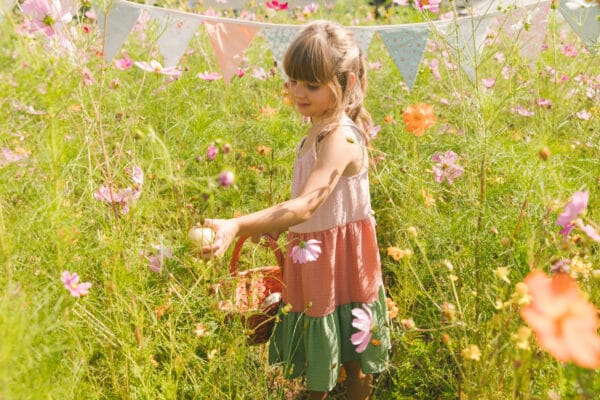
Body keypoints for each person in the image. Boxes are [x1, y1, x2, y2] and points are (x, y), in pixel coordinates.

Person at [202, 20, 390, 400]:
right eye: (293, 81)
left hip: (341, 256)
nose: (298, 92)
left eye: (312, 85)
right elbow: (307, 208)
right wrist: (280, 227)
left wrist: (237, 225)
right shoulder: (317, 126)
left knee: (353, 343)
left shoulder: (340, 136)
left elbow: (306, 205)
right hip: (316, 252)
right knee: (320, 337)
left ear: (347, 82)